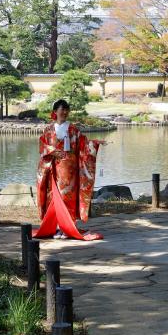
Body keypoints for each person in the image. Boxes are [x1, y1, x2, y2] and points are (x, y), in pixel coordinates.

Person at [34, 99, 106, 241]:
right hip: (53, 168)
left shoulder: (73, 129)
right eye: (62, 109)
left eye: (67, 110)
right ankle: (56, 227)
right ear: (55, 111)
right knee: (53, 198)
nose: (65, 112)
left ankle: (67, 228)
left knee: (67, 198)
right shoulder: (48, 129)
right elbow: (42, 145)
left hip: (69, 170)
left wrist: (95, 143)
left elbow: (84, 145)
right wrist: (53, 151)